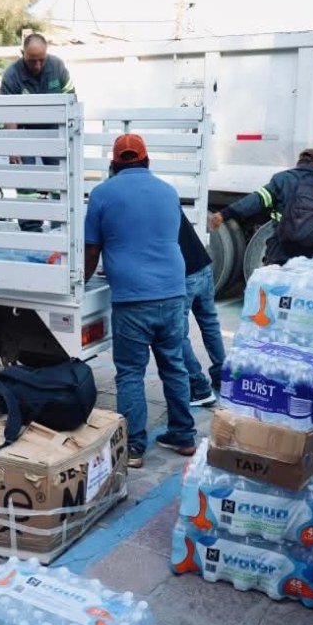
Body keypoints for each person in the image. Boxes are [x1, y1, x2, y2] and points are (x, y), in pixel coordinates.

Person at [84, 134, 196, 469]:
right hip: (173, 292)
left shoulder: (103, 193)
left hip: (133, 298)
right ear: (147, 160)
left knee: (131, 372)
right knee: (173, 365)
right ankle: (184, 436)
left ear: (113, 163)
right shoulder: (168, 191)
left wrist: (81, 282)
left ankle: (134, 448)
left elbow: (92, 249)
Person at [208, 149, 313, 266]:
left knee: (276, 290)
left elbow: (255, 201)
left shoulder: (281, 180)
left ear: (298, 163)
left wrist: (224, 214)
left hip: (281, 250)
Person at [0, 33, 75, 232]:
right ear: (22, 53)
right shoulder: (11, 75)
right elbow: (9, 114)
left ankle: (60, 227)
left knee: (60, 178)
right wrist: (13, 146)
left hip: (54, 130)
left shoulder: (58, 67)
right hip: (24, 132)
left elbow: (71, 100)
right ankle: (31, 228)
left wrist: (67, 137)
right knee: (26, 181)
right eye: (32, 61)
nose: (38, 65)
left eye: (42, 60)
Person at [177, 211, 225, 407]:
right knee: (209, 323)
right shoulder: (164, 194)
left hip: (185, 274)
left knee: (176, 333)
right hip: (203, 266)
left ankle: (198, 387)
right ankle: (223, 377)